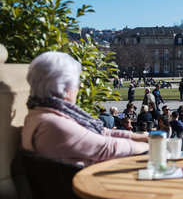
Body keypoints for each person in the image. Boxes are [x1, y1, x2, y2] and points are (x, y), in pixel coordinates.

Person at [21, 51, 149, 167]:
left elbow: (102, 132)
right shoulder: (53, 124)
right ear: (66, 89)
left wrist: (143, 138)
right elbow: (107, 148)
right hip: (84, 187)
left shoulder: (39, 113)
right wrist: (150, 146)